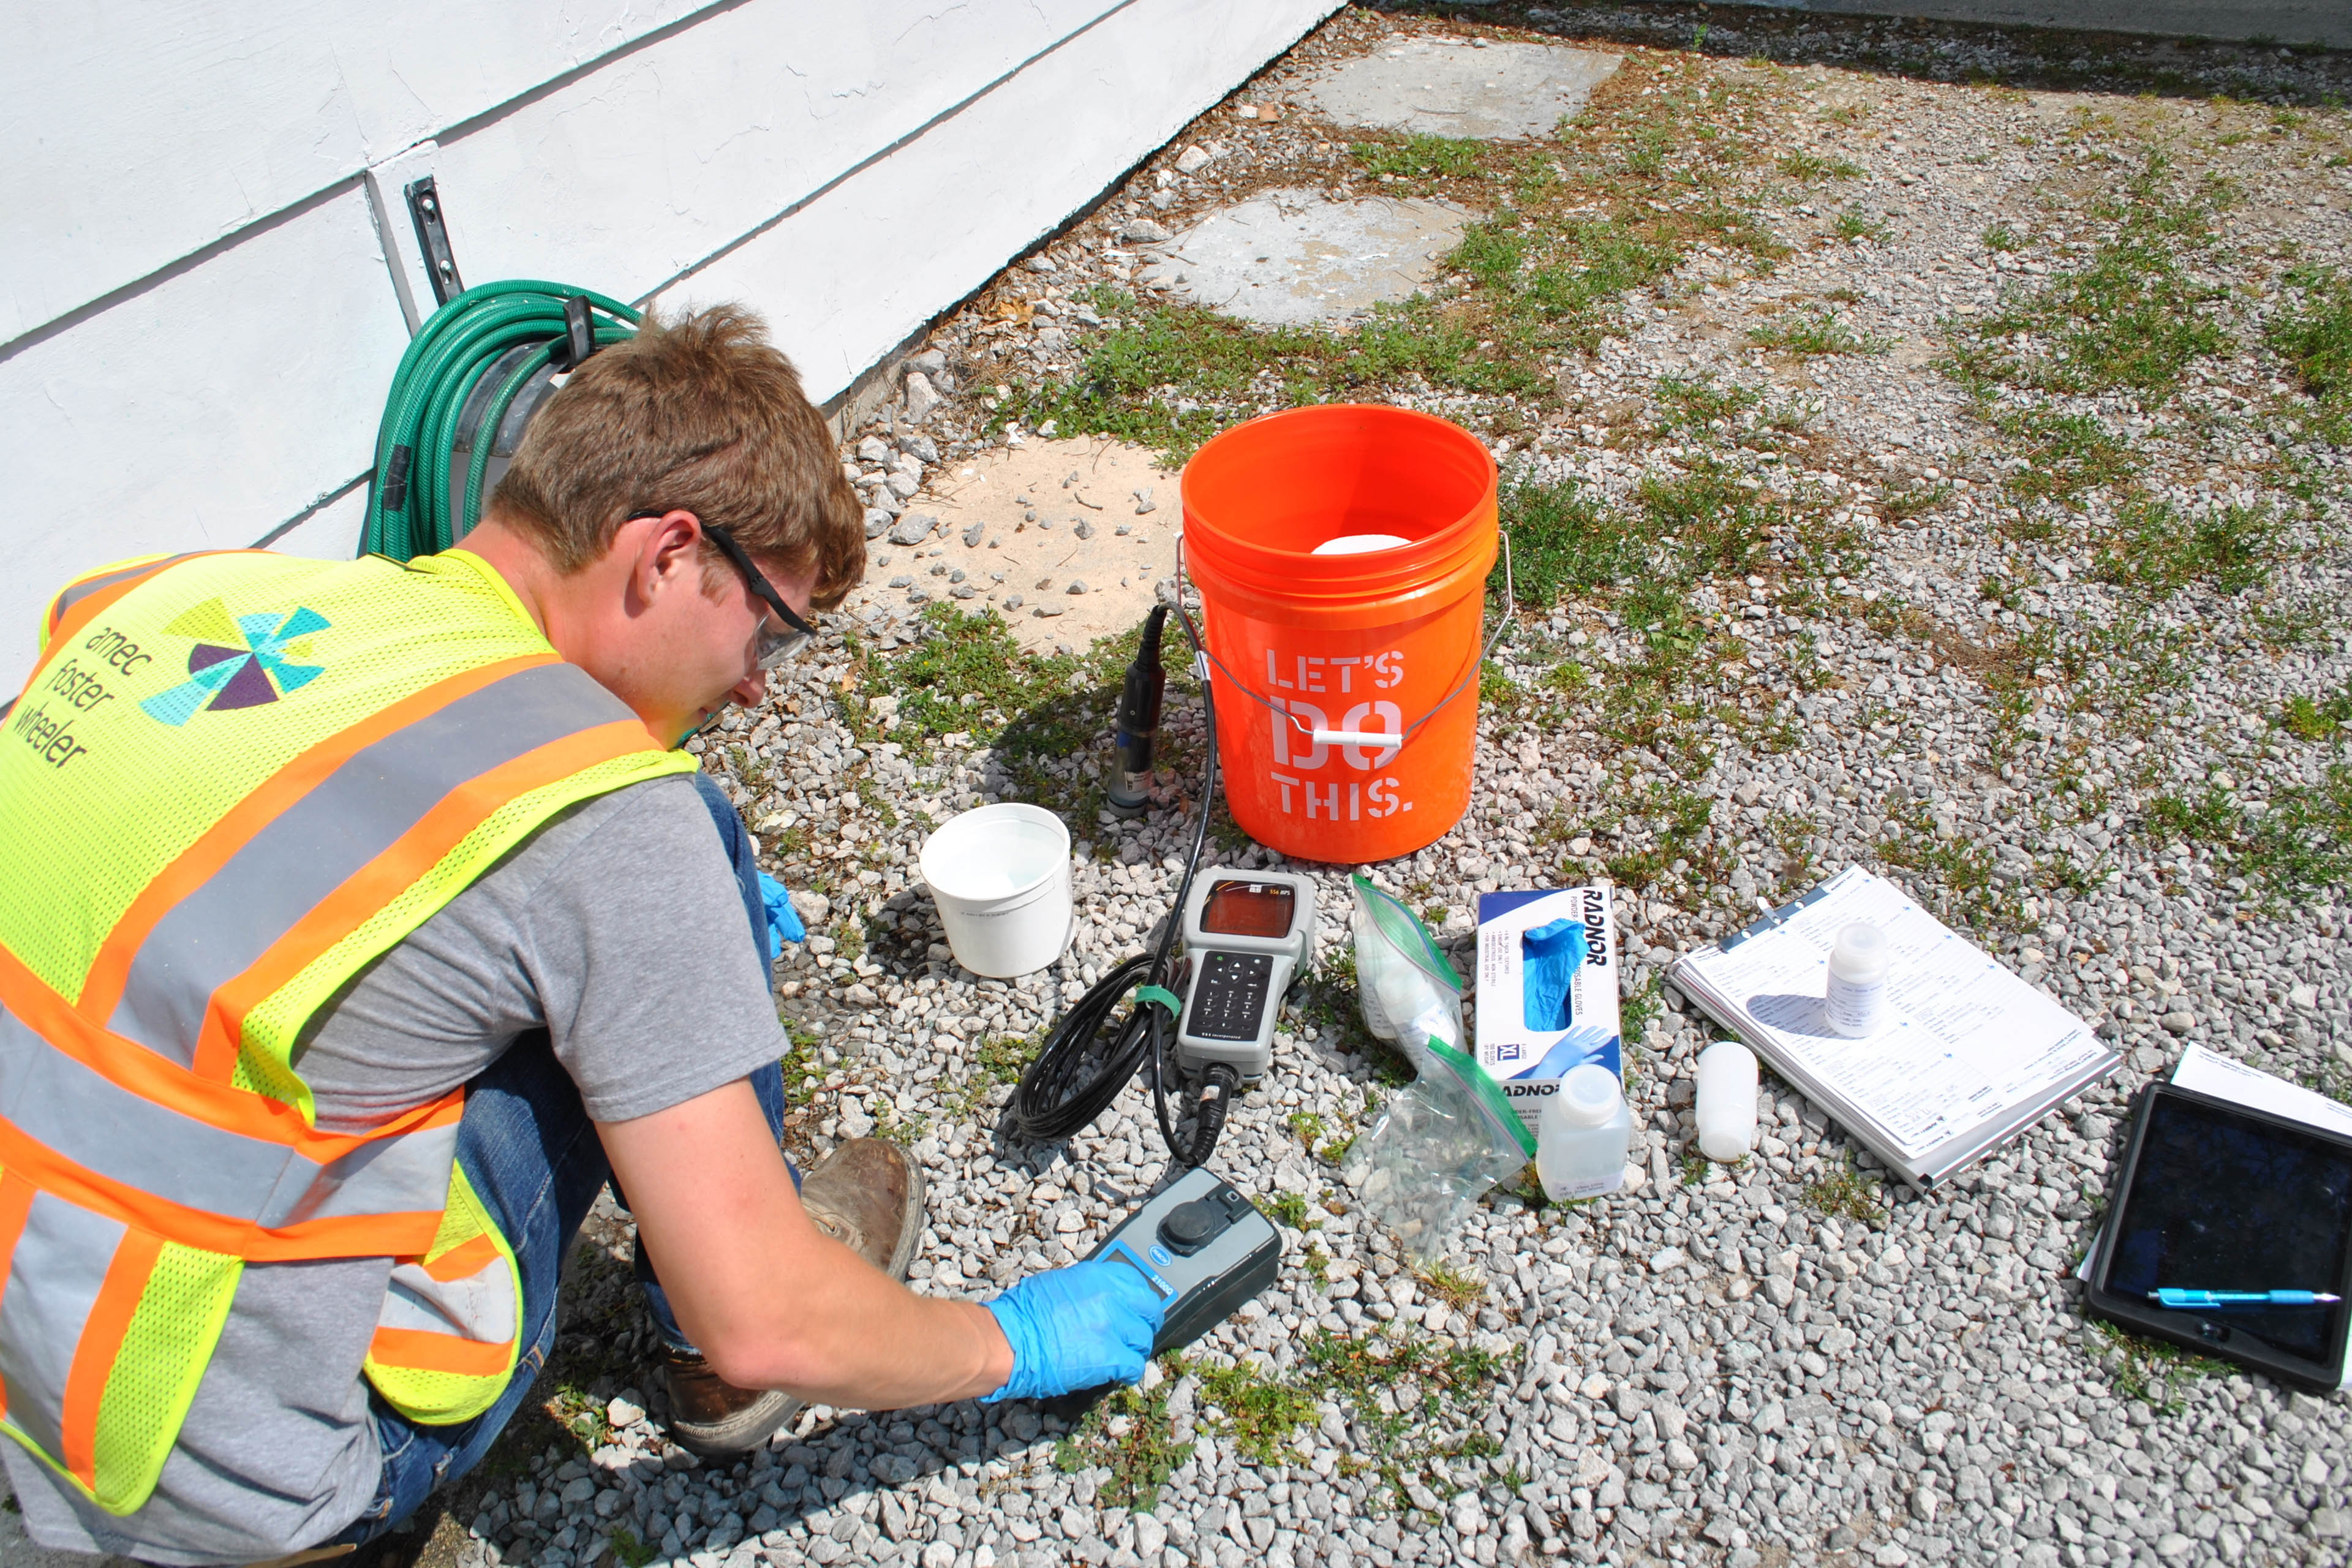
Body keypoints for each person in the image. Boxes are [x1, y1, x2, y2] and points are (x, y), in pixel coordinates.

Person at [0, 304, 1164, 1566]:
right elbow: (767, 1318)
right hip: (238, 1482)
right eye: (770, 624)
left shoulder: (172, 597)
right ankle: (684, 1354)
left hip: (32, 1368)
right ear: (668, 553)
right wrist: (1013, 1341)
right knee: (693, 848)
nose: (759, 679)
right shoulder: (600, 807)